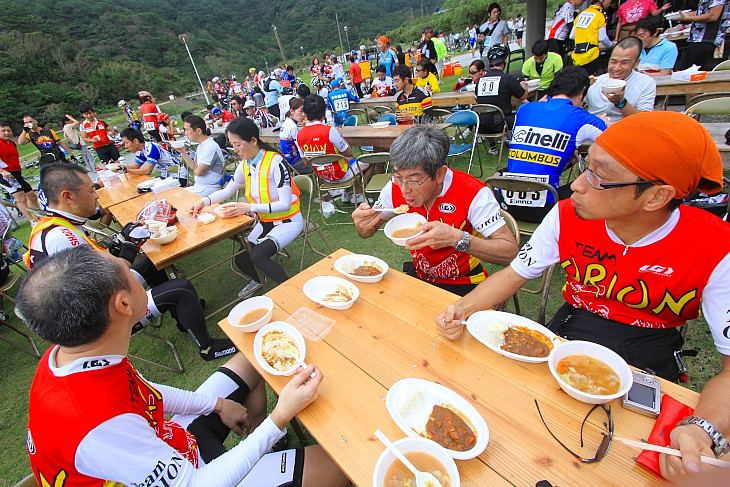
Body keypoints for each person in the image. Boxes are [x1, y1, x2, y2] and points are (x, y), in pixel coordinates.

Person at [435, 111, 730, 481]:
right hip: (570, 332)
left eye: (599, 177)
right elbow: (513, 275)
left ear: (657, 195)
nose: (576, 186)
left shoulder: (715, 246)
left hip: (648, 353)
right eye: (584, 165)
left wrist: (703, 428)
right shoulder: (565, 216)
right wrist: (460, 309)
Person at [19, 245, 349, 487]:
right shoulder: (95, 426)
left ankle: (266, 446)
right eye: (129, 271)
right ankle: (268, 441)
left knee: (251, 360)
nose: (137, 274)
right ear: (122, 304)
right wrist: (281, 415)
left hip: (172, 444)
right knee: (341, 465)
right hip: (195, 479)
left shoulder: (68, 356)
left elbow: (142, 394)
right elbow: (198, 484)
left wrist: (219, 405)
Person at [24, 162, 237, 360]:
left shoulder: (54, 225)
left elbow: (94, 262)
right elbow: (106, 284)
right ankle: (207, 347)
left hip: (94, 306)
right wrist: (128, 249)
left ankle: (184, 317)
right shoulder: (62, 237)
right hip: (99, 324)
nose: (96, 196)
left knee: (154, 263)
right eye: (91, 190)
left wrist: (120, 241)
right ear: (68, 197)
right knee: (181, 288)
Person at [352, 125, 518, 297]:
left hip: (464, 282)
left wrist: (458, 239)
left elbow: (509, 252)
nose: (404, 189)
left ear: (440, 174)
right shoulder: (393, 188)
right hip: (420, 279)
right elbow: (366, 231)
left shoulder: (474, 193)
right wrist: (363, 223)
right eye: (399, 177)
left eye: (414, 180)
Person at [191, 118, 304, 297]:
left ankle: (291, 292)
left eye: (238, 144)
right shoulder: (246, 164)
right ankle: (260, 281)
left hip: (289, 221)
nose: (235, 150)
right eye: (232, 145)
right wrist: (203, 202)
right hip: (267, 221)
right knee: (242, 258)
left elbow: (285, 203)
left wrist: (249, 207)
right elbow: (228, 191)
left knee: (258, 255)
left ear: (253, 140)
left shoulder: (275, 162)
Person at [498, 66, 608, 223]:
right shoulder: (582, 118)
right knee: (594, 180)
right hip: (546, 211)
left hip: (507, 207)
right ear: (582, 92)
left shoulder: (525, 109)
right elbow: (620, 141)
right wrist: (605, 121)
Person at [296, 94, 372, 204]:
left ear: (305, 113)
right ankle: (359, 194)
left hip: (323, 177)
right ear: (324, 112)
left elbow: (306, 162)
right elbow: (348, 151)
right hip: (341, 174)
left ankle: (346, 194)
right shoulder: (329, 131)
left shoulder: (299, 135)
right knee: (369, 159)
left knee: (349, 159)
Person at [455, 48, 527, 155]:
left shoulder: (480, 81)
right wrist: (522, 82)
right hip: (502, 123)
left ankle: (493, 146)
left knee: (490, 113)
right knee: (522, 112)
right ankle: (515, 142)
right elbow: (523, 95)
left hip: (482, 125)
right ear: (505, 60)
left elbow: (478, 100)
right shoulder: (507, 78)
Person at [585, 36, 657, 123]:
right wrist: (581, 89)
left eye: (624, 62)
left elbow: (644, 120)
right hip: (592, 128)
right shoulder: (596, 81)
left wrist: (621, 102)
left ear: (636, 63)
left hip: (625, 129)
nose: (617, 68)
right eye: (613, 61)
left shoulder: (646, 83)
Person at [0, 121, 39, 224]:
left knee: (31, 194)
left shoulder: (12, 143)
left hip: (16, 172)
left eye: (8, 130)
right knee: (20, 197)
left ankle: (39, 216)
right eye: (3, 131)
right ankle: (32, 221)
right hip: (5, 175)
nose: (6, 133)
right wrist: (2, 171)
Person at [675, 0, 730, 70]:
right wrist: (682, 15)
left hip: (707, 38)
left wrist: (688, 18)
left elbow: (713, 16)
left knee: (693, 71)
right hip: (697, 38)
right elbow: (702, 12)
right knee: (684, 70)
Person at [121, 128, 188, 185]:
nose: (126, 146)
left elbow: (147, 171)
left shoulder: (151, 148)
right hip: (167, 177)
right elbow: (134, 167)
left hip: (179, 177)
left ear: (135, 141)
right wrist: (119, 166)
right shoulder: (141, 151)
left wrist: (126, 170)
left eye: (126, 143)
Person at [179, 115, 225, 197]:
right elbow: (194, 166)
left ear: (198, 131)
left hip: (211, 188)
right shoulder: (200, 146)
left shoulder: (210, 146)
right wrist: (182, 152)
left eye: (187, 130)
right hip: (199, 187)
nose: (185, 133)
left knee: (181, 197)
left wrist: (196, 169)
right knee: (176, 195)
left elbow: (199, 172)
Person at [570, 0, 613, 75]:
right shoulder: (599, 15)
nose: (610, 2)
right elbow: (602, 38)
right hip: (591, 55)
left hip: (577, 55)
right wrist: (610, 45)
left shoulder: (581, 14)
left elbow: (572, 36)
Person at [279, 97, 312, 175]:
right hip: (296, 163)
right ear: (292, 111)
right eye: (300, 111)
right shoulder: (292, 127)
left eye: (304, 111)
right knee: (321, 164)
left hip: (289, 162)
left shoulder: (287, 122)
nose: (303, 114)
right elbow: (301, 149)